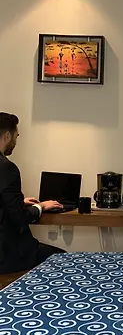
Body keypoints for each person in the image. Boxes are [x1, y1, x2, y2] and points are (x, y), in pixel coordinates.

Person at [0, 112, 65, 274]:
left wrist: (19, 202)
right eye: (16, 137)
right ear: (7, 136)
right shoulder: (7, 168)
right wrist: (41, 206)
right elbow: (20, 217)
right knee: (62, 258)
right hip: (8, 255)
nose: (16, 142)